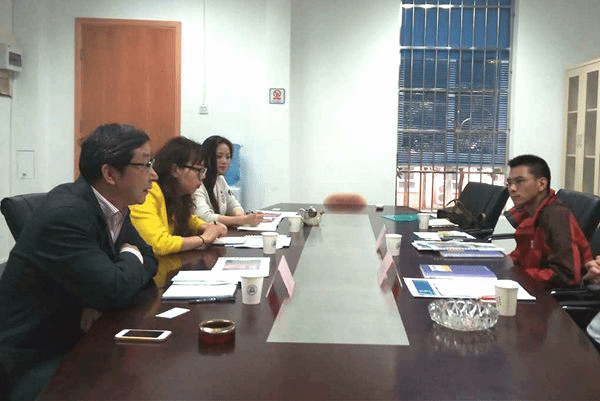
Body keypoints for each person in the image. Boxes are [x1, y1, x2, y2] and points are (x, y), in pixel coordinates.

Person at [0, 123, 159, 401]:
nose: (154, 175)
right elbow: (115, 288)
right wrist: (126, 261)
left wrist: (101, 294)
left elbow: (149, 258)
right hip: (36, 358)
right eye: (145, 164)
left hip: (81, 336)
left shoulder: (114, 207)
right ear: (109, 173)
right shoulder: (67, 214)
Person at [504, 154, 593, 288]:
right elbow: (522, 255)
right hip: (533, 286)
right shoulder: (529, 214)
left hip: (551, 296)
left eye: (519, 181)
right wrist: (498, 263)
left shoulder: (556, 216)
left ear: (541, 184)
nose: (512, 188)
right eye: (509, 183)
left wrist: (517, 275)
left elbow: (566, 275)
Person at [129, 136, 227, 256]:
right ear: (175, 170)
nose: (203, 177)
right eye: (198, 170)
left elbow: (187, 219)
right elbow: (158, 244)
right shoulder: (149, 191)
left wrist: (206, 226)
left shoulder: (177, 195)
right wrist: (203, 239)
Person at [194, 135, 263, 226]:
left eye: (228, 157)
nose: (224, 161)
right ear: (207, 157)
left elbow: (234, 205)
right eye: (218, 156)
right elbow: (204, 217)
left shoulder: (220, 179)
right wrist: (242, 220)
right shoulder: (196, 182)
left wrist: (240, 215)